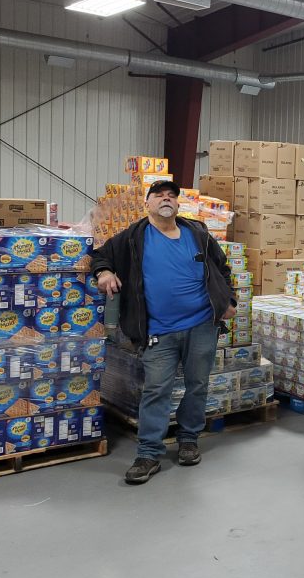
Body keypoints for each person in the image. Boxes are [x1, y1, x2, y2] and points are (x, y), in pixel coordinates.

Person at [90, 180, 236, 484]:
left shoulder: (198, 233)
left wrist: (228, 300)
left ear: (178, 204)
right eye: (159, 196)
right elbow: (100, 255)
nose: (166, 199)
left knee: (197, 384)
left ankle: (188, 439)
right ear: (148, 203)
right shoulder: (133, 237)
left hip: (201, 325)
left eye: (171, 196)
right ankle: (148, 453)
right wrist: (104, 272)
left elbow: (222, 268)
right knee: (156, 389)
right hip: (158, 330)